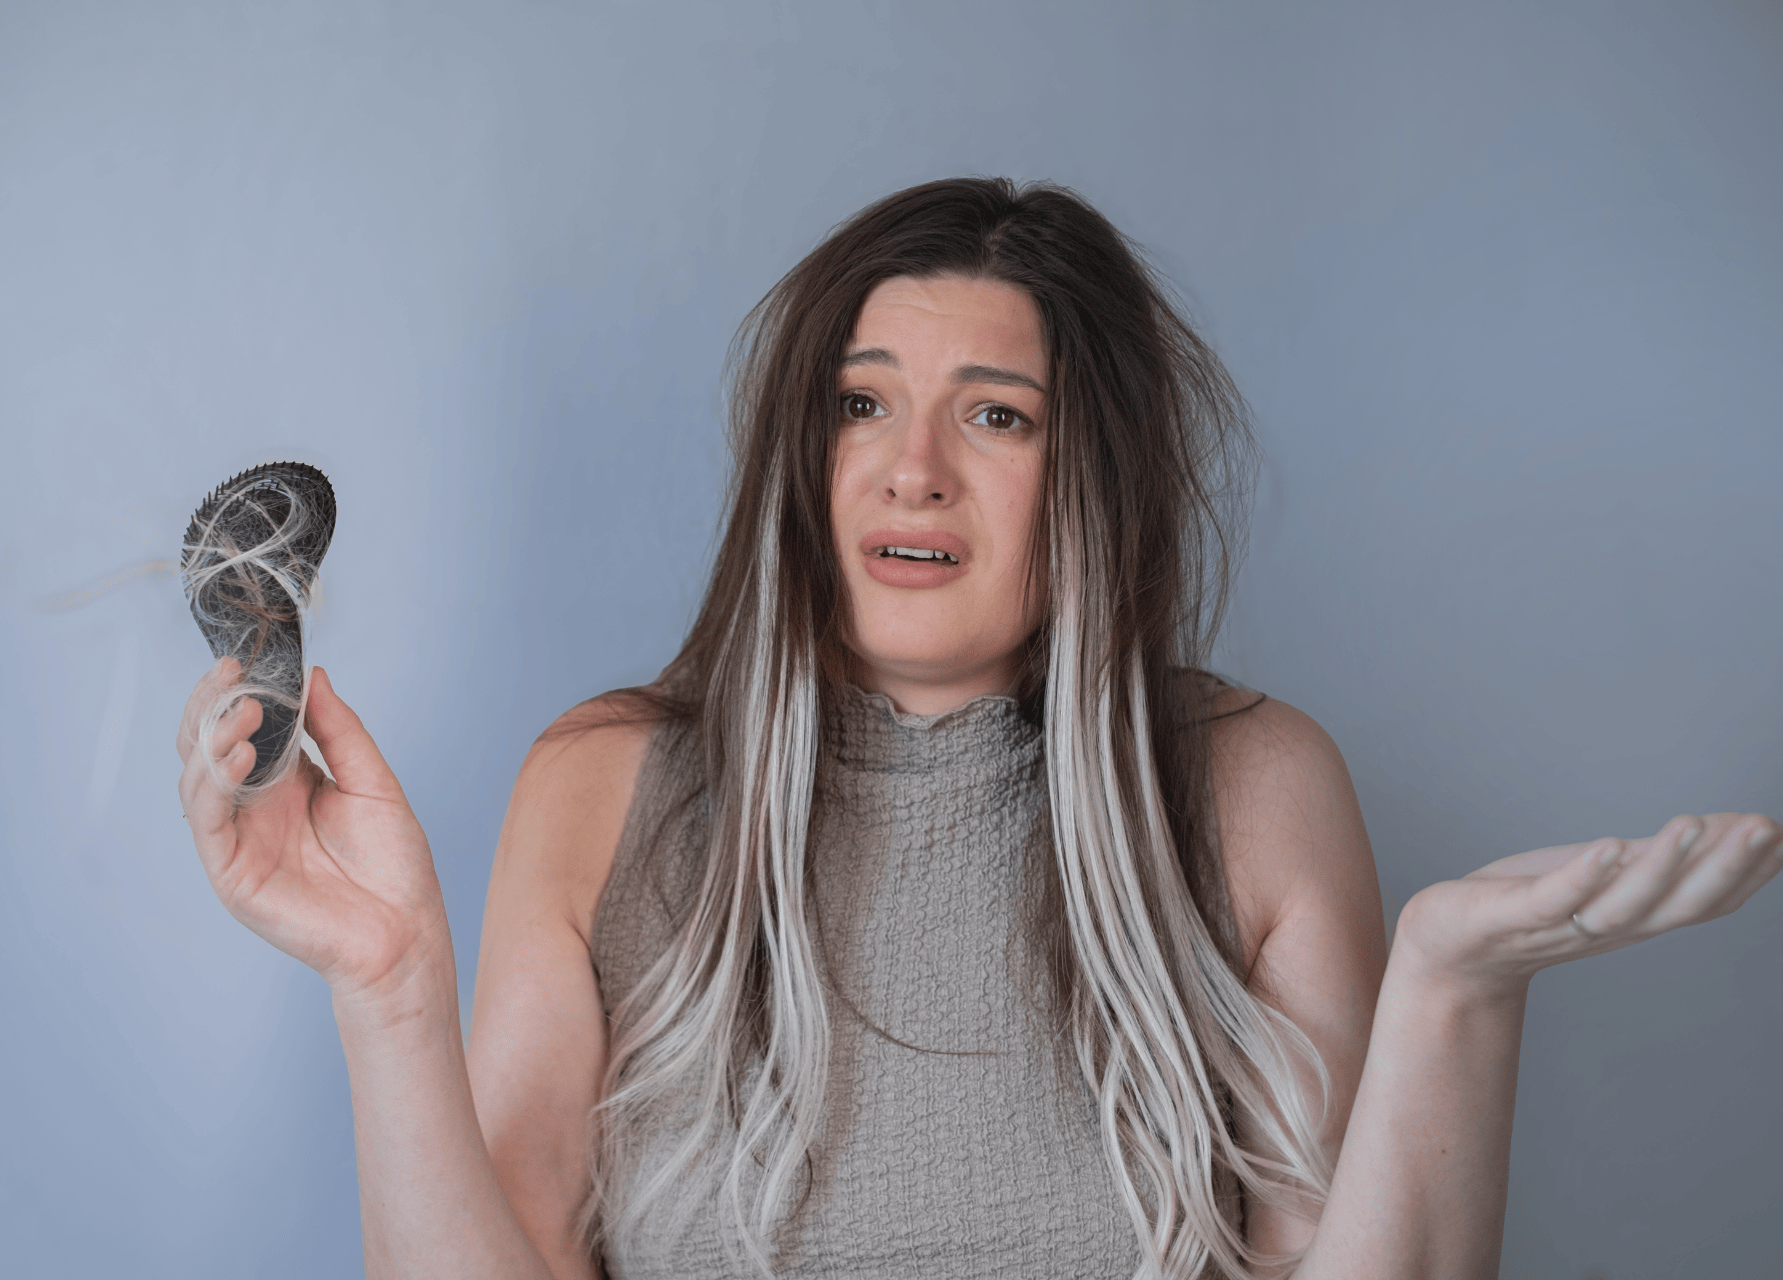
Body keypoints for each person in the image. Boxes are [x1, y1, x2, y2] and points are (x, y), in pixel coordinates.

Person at [175, 177, 1780, 1280]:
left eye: (995, 415)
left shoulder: (1253, 784)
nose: (912, 468)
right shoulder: (607, 785)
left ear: (1095, 478)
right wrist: (387, 987)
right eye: (861, 401)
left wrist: (1455, 994)